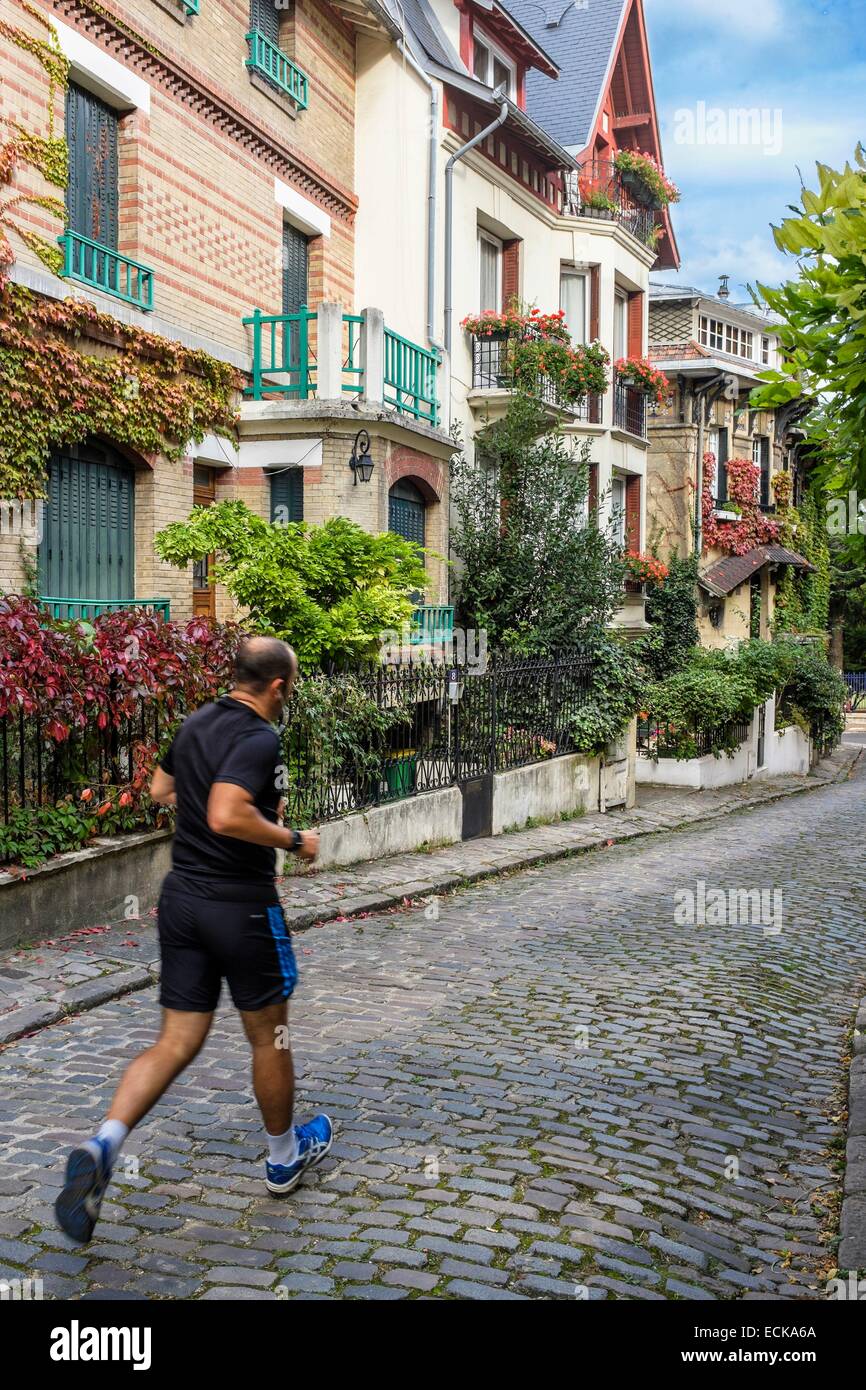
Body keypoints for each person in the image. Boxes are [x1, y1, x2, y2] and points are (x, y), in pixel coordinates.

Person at [55, 636, 332, 1244]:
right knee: (271, 1034)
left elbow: (161, 790)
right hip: (241, 906)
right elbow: (227, 813)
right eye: (290, 687)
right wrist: (293, 840)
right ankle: (283, 1156)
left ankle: (104, 1144)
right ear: (277, 686)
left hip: (182, 901)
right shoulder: (260, 737)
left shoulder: (196, 722)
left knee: (176, 1040)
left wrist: (213, 796)